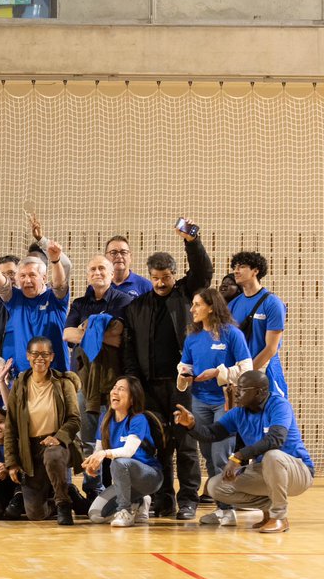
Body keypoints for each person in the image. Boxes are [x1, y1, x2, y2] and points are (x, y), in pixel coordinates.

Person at [121, 222, 212, 519]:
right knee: (159, 445)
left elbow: (203, 271)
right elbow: (130, 350)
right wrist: (135, 383)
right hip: (149, 386)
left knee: (185, 444)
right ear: (150, 277)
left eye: (166, 277)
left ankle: (188, 500)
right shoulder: (137, 307)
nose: (161, 283)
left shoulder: (187, 295)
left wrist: (191, 242)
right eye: (156, 278)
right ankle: (163, 499)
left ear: (175, 275)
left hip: (183, 385)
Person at [174, 371, 313, 533]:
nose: (237, 392)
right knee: (216, 486)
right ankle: (269, 509)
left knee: (273, 455)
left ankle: (280, 517)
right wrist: (191, 425)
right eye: (237, 387)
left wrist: (238, 457)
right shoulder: (238, 412)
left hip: (298, 472)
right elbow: (211, 433)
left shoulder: (279, 405)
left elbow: (275, 440)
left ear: (259, 392)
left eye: (243, 388)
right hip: (266, 470)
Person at [63, 255, 131, 499]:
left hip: (115, 378)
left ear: (112, 274)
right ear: (87, 275)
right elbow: (67, 334)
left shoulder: (123, 300)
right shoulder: (80, 303)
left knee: (114, 433)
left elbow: (120, 338)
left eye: (102, 268)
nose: (97, 272)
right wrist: (101, 328)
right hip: (84, 379)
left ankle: (119, 488)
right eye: (92, 269)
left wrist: (89, 328)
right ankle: (93, 488)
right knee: (87, 435)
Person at [177, 288, 252, 503]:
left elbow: (247, 369)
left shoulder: (232, 334)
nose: (192, 309)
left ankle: (228, 509)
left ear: (211, 307)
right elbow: (185, 365)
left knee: (220, 456)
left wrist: (219, 373)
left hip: (225, 402)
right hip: (199, 400)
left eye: (197, 304)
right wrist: (184, 375)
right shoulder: (192, 338)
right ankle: (221, 505)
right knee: (208, 455)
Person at [3, 336, 83, 525]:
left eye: (45, 354)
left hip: (56, 444)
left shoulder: (64, 383)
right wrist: (12, 462)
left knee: (53, 456)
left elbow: (75, 419)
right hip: (29, 450)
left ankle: (63, 503)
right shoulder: (20, 385)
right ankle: (65, 492)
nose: (40, 358)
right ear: (28, 356)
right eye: (35, 354)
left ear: (52, 356)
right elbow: (11, 426)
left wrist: (59, 437)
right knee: (35, 514)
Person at [0, 236, 72, 374]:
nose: (27, 280)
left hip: (56, 373)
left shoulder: (55, 298)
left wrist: (56, 261)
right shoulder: (14, 298)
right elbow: (0, 282)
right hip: (23, 375)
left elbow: (60, 284)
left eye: (32, 275)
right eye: (22, 276)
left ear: (44, 278)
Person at [83, 377, 164, 528]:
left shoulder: (138, 419)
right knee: (95, 515)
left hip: (149, 477)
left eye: (121, 389)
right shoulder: (105, 419)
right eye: (114, 387)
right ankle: (140, 501)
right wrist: (93, 465)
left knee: (119, 462)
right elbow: (98, 451)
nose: (115, 391)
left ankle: (125, 511)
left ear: (132, 398)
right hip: (125, 484)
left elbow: (128, 451)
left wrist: (104, 454)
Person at [228, 250, 288, 398]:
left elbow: (271, 348)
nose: (236, 271)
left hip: (266, 372)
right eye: (235, 267)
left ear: (256, 270)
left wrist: (248, 374)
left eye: (241, 266)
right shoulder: (233, 305)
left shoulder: (272, 303)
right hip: (241, 373)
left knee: (271, 417)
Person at [104, 234, 154, 299]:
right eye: (113, 252)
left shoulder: (146, 286)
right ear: (105, 257)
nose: (119, 256)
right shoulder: (97, 286)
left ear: (130, 257)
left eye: (123, 252)